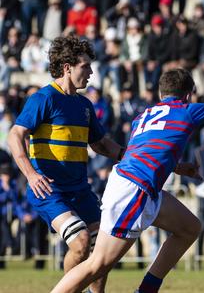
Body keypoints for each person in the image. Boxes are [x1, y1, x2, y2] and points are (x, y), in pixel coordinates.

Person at [50, 68, 204, 293]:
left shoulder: (142, 117)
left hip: (137, 185)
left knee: (189, 228)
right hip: (135, 189)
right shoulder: (187, 110)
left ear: (161, 94)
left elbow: (147, 152)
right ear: (189, 93)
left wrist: (180, 168)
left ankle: (147, 289)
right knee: (97, 264)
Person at [7, 36, 126, 293]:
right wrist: (30, 174)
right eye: (86, 66)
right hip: (49, 189)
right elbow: (15, 135)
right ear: (67, 67)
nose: (92, 72)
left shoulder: (84, 105)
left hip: (80, 190)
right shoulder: (43, 98)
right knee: (81, 242)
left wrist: (133, 157)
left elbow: (102, 144)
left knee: (102, 249)